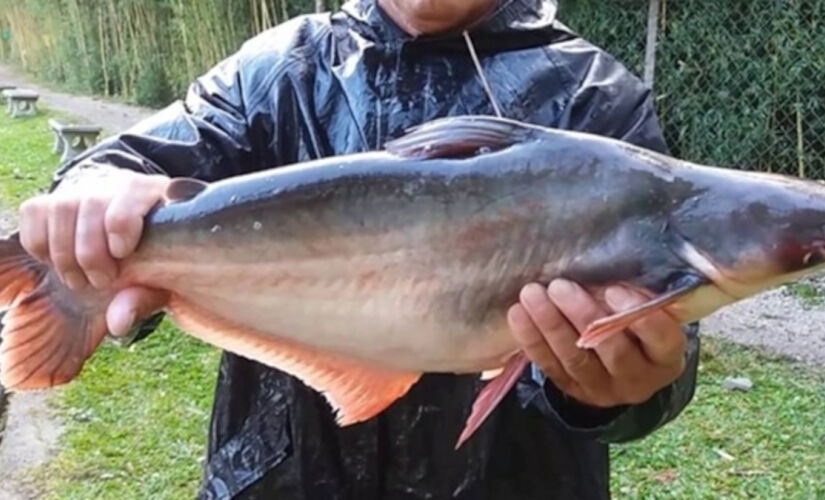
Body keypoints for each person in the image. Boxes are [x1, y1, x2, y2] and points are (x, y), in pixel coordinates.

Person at [19, 0, 699, 498]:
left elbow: (666, 340)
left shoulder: (593, 97)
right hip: (276, 479)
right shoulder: (278, 69)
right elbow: (136, 158)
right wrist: (92, 188)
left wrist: (619, 392)